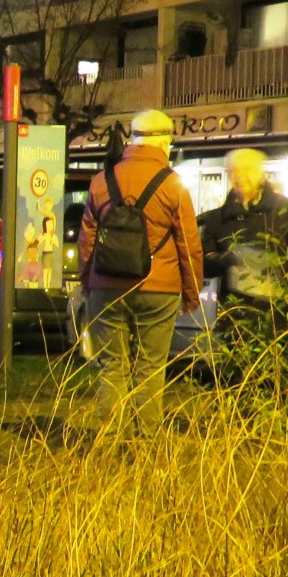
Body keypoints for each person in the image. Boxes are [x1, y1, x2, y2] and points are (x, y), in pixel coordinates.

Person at [78, 108, 203, 429]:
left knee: (112, 367)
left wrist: (89, 285)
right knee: (150, 368)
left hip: (106, 288)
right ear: (164, 142)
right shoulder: (173, 185)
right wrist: (190, 294)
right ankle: (145, 447)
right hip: (159, 289)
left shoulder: (101, 181)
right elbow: (189, 246)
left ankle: (108, 444)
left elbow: (87, 244)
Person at [199, 148, 288, 310]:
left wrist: (284, 275)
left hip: (281, 310)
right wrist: (226, 260)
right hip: (235, 312)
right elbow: (203, 266)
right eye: (234, 171)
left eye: (247, 169)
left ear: (261, 174)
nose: (240, 176)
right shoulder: (217, 218)